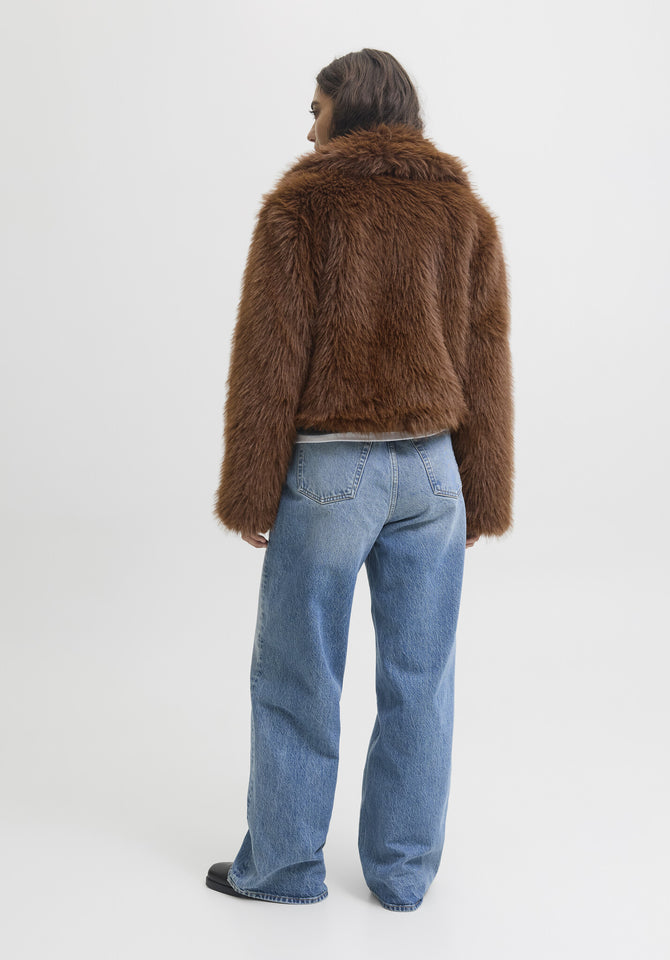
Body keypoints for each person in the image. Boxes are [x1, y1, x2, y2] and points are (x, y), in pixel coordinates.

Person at [206, 48, 515, 912]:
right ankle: (403, 878)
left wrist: (251, 489)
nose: (309, 130)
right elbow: (484, 355)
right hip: (434, 474)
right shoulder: (461, 210)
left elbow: (269, 357)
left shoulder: (302, 204)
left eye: (316, 108)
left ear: (353, 108)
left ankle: (284, 869)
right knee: (422, 683)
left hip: (332, 473)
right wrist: (482, 491)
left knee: (297, 676)